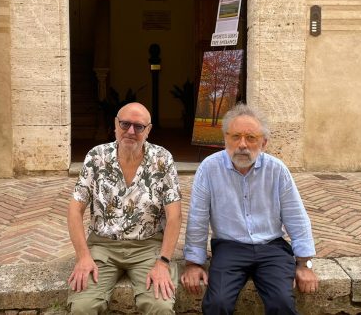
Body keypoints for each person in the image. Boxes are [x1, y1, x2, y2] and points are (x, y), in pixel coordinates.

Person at [181, 103, 318, 314]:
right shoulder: (209, 168)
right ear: (225, 139)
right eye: (235, 137)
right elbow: (197, 219)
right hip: (229, 247)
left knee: (282, 302)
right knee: (217, 303)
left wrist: (304, 264)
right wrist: (193, 263)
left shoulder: (277, 170)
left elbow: (296, 217)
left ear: (264, 143)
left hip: (272, 247)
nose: (242, 144)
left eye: (251, 138)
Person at [67, 102, 182, 314]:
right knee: (83, 307)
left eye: (139, 127)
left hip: (148, 247)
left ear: (148, 130)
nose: (130, 131)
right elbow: (75, 209)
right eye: (125, 124)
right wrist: (83, 256)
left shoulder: (162, 159)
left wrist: (163, 262)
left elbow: (174, 216)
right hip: (103, 246)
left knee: (160, 307)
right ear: (115, 125)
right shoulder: (96, 157)